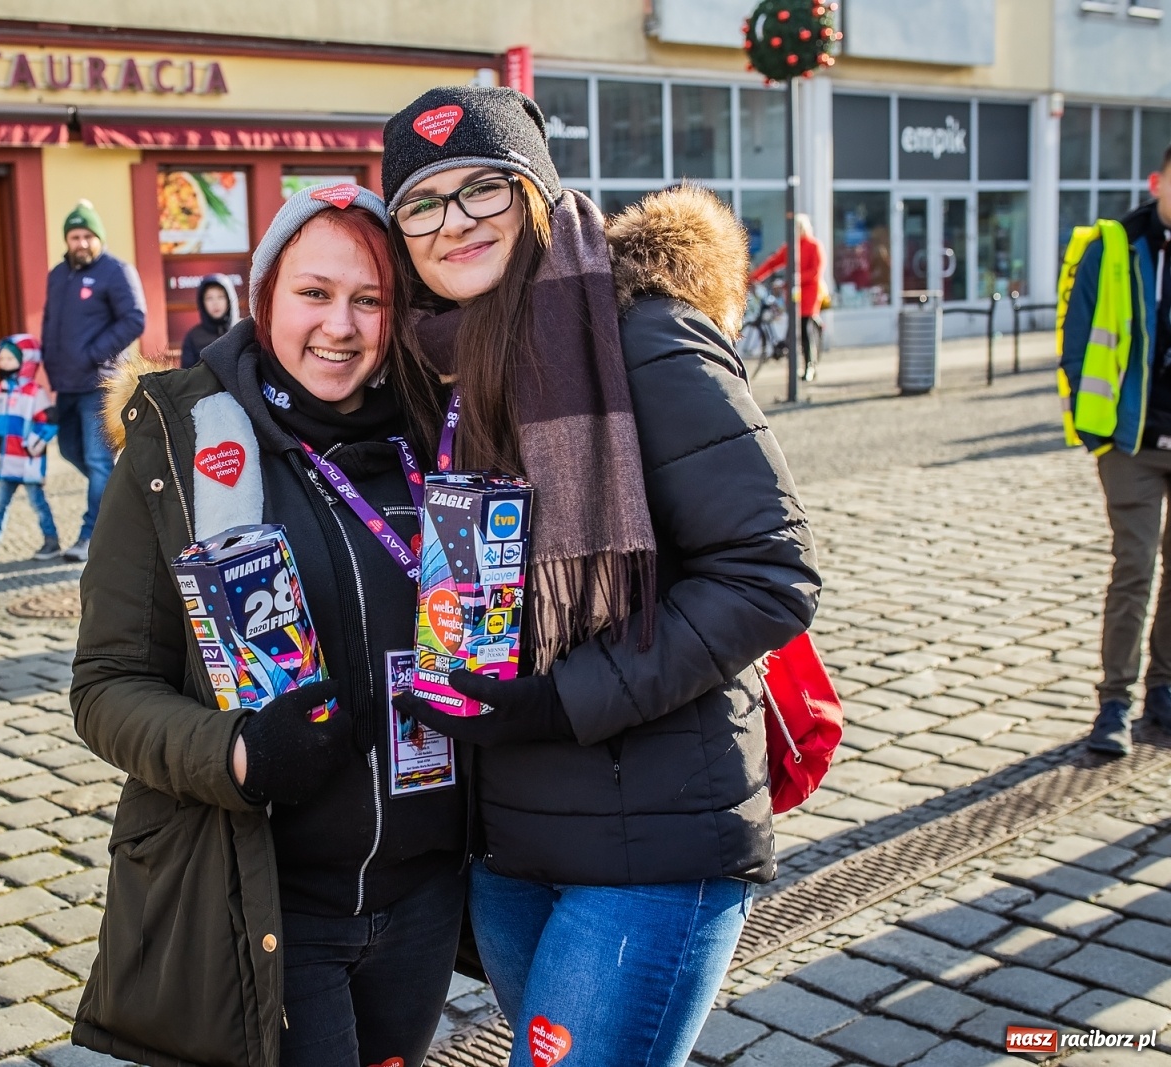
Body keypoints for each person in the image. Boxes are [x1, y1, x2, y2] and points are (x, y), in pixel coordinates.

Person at [381, 86, 820, 1067]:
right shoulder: (425, 365)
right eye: (423, 202)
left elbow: (768, 572)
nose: (454, 221)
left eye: (482, 190)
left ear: (536, 194)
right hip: (506, 839)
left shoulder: (640, 335)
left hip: (650, 833)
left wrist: (554, 702)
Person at [69, 184, 465, 1067]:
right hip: (276, 904)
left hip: (428, 900)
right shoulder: (182, 446)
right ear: (264, 297)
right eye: (314, 293)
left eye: (371, 299)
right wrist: (239, 752)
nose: (341, 325)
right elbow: (104, 689)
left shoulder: (444, 432)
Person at [1059, 141, 1171, 757]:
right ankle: (1115, 701)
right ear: (1158, 181)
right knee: (1135, 568)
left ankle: (1164, 690)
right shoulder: (1115, 246)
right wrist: (1090, 418)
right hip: (1129, 441)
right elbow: (1078, 336)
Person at [40, 199, 147, 562]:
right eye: (75, 236)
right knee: (70, 450)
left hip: (99, 383)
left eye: (88, 235)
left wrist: (93, 354)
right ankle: (126, 498)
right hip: (66, 382)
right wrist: (51, 363)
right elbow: (49, 322)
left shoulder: (115, 271)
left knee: (99, 461)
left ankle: (92, 535)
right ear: (66, 240)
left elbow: (134, 319)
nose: (81, 242)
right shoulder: (57, 274)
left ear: (98, 238)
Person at [0, 334, 62, 562]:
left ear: (26, 360)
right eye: (2, 358)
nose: (5, 362)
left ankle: (52, 542)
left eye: (10, 358)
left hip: (28, 460)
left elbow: (48, 422)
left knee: (38, 503)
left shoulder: (35, 393)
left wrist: (33, 446)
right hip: (5, 460)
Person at [750, 212, 829, 381]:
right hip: (794, 293)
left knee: (804, 328)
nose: (797, 230)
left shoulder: (814, 246)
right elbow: (773, 263)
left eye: (799, 227)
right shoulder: (791, 246)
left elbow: (815, 272)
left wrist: (795, 279)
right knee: (792, 329)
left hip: (809, 292)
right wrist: (754, 277)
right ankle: (793, 363)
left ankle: (809, 366)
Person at [180, 273, 239, 368]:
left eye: (220, 297)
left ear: (229, 299)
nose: (215, 303)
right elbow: (186, 377)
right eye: (209, 298)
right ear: (202, 303)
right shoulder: (193, 337)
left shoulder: (243, 330)